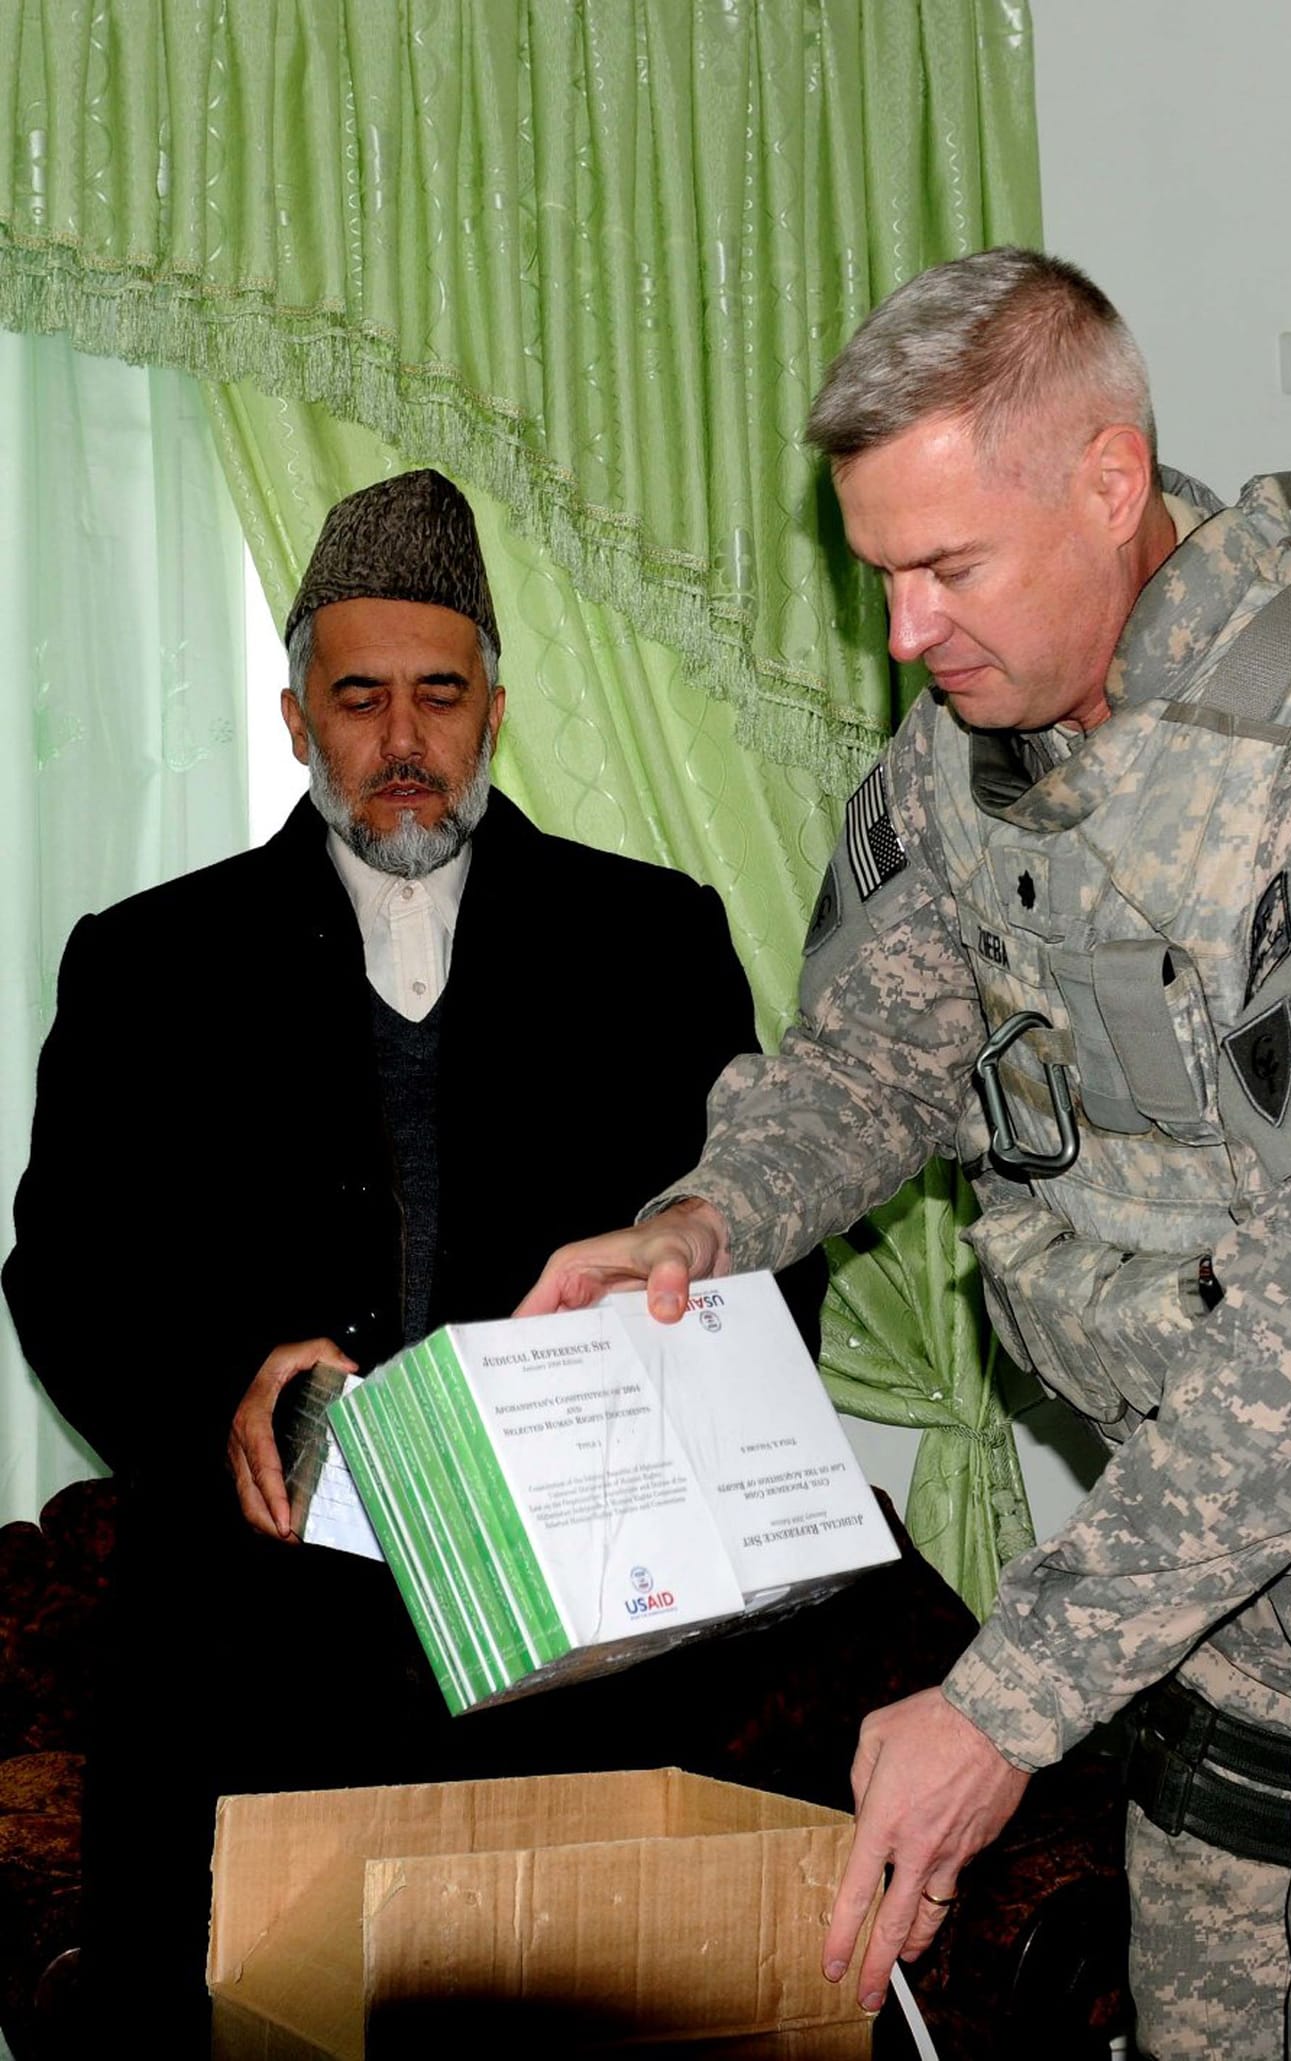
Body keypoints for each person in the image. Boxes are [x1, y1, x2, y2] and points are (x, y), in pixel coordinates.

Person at [523, 250, 1291, 2058]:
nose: (904, 634)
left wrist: (1006, 1699)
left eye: (948, 568)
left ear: (1113, 486)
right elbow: (874, 1052)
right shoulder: (970, 742)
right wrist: (708, 1222)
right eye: (881, 575)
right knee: (1195, 2020)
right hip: (1201, 1529)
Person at [2, 468, 820, 2046]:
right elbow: (65, 1268)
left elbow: (758, 1244)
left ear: (493, 710)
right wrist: (222, 1382)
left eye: (437, 694)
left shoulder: (653, 942)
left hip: (581, 1667)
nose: (401, 740)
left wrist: (629, 1387)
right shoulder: (150, 959)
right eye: (359, 696)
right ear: (296, 714)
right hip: (254, 1658)